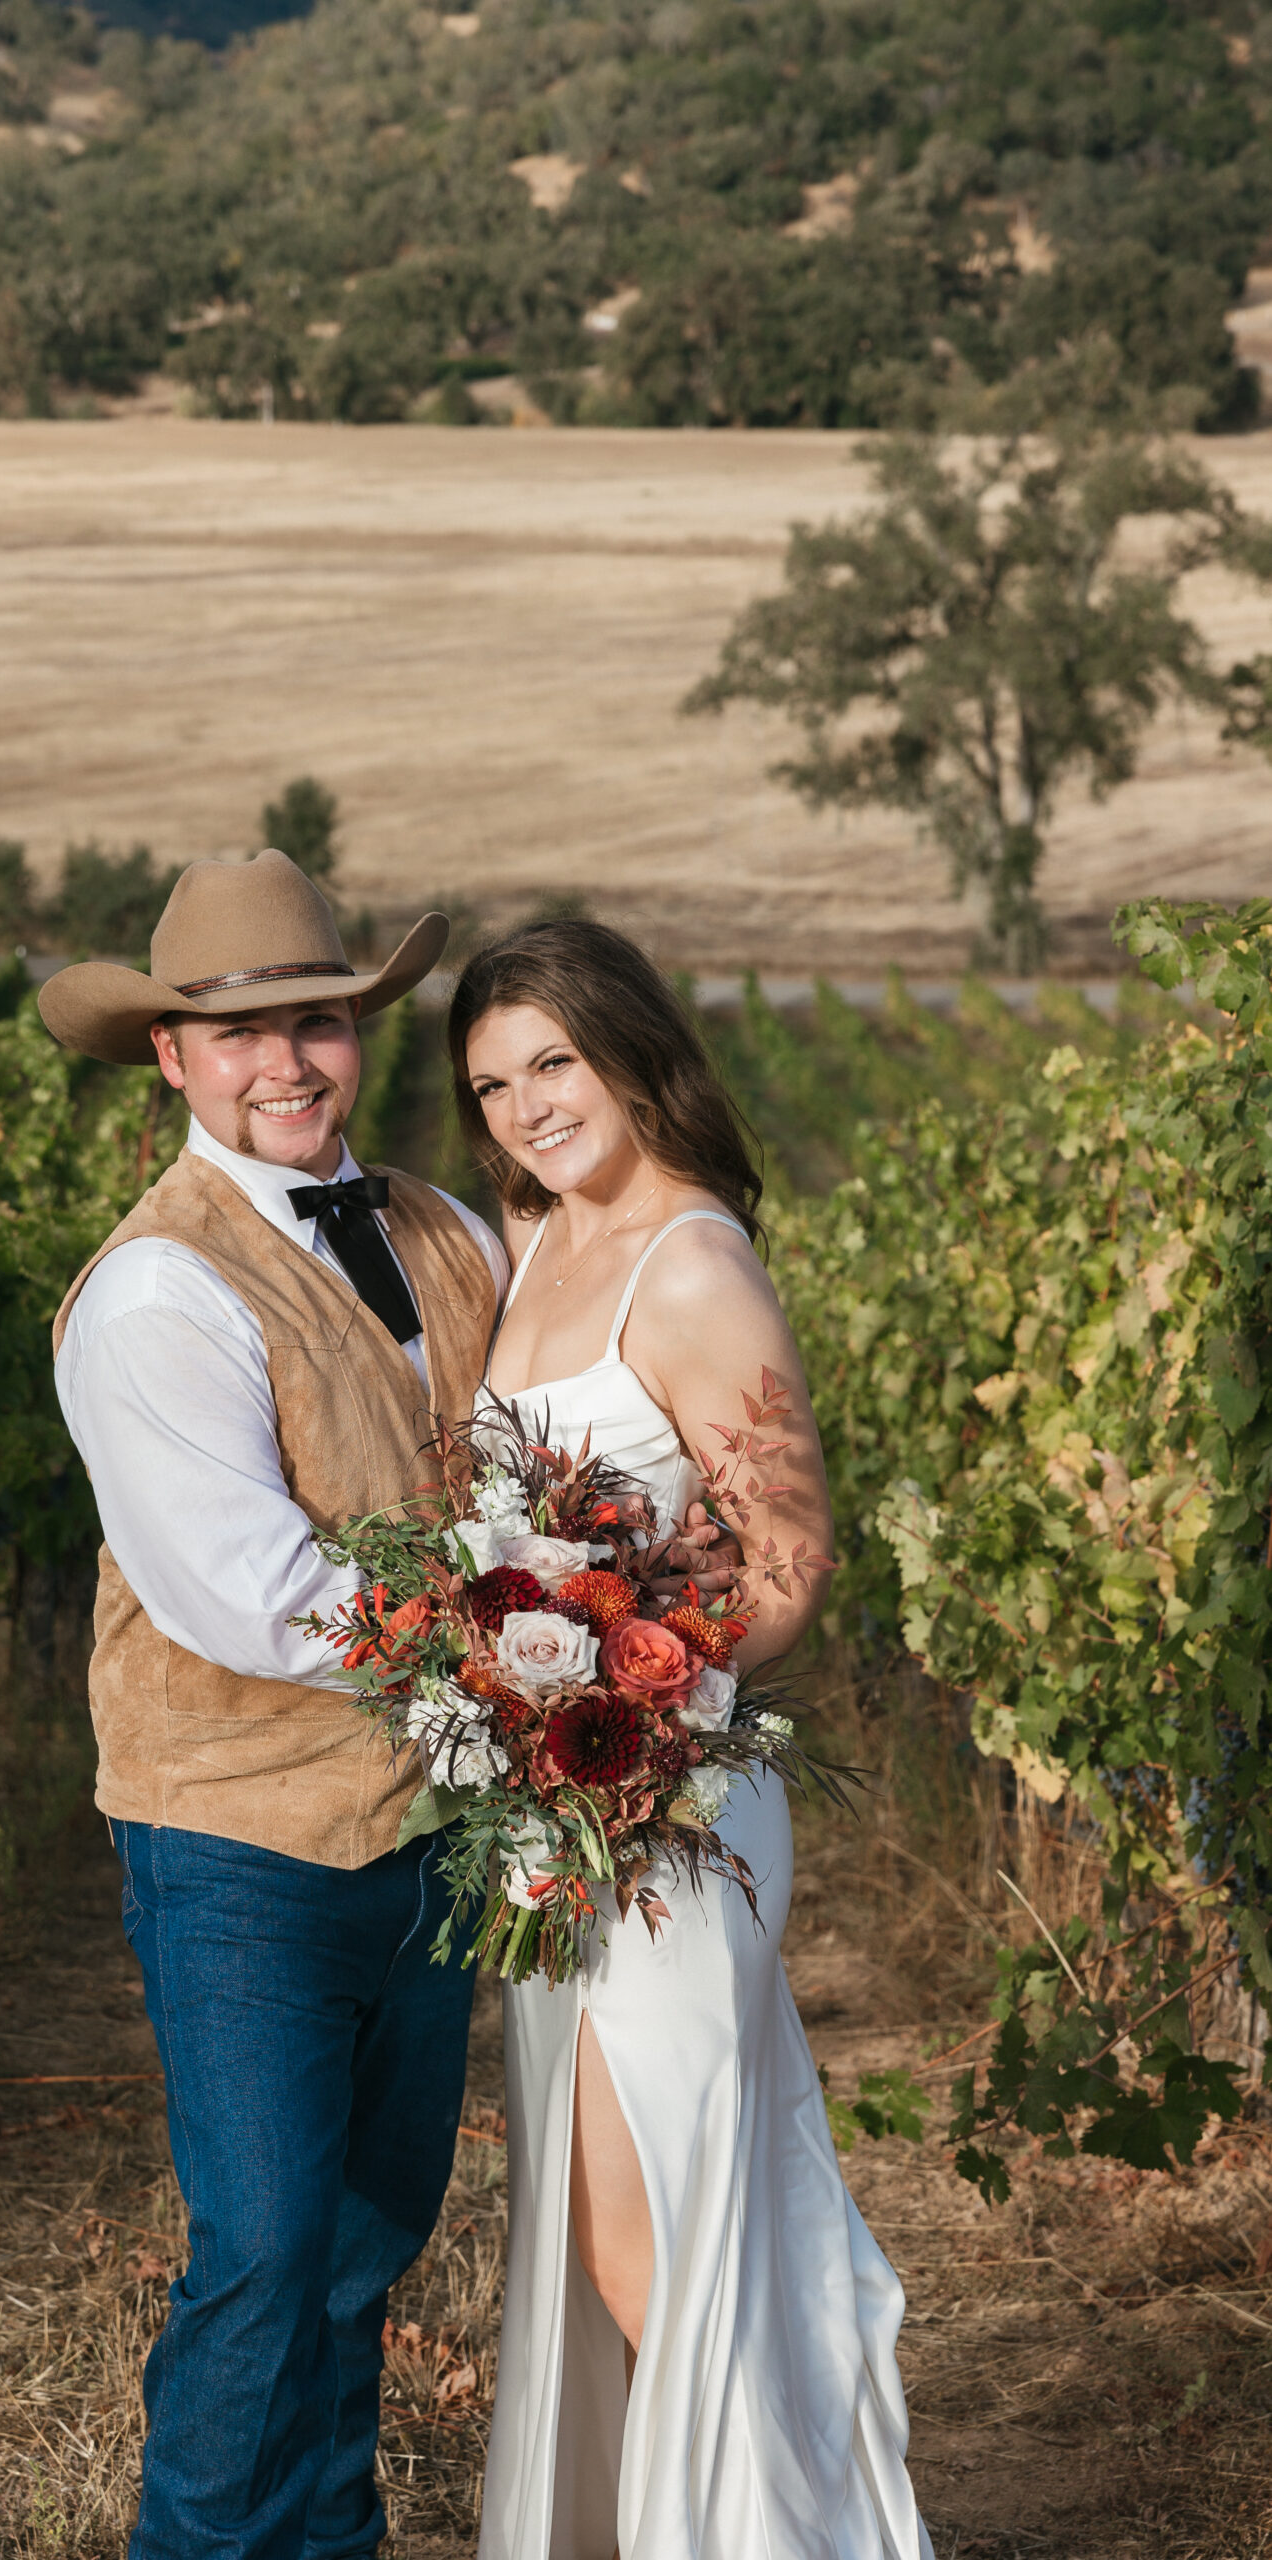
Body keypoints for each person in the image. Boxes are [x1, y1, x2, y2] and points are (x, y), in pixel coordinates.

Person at [39, 849, 508, 2560]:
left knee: (369, 2246)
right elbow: (249, 1589)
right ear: (171, 1059)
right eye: (239, 1039)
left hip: (441, 1827)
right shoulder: (158, 1288)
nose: (285, 1064)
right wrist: (519, 1638)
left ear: (356, 1033)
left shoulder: (444, 1235)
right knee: (261, 2253)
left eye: (314, 1022)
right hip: (241, 1840)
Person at [450, 917, 934, 2560]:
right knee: (604, 2230)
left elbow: (789, 1566)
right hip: (549, 1818)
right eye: (493, 1083)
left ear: (628, 1048)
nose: (525, 1107)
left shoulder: (695, 1262)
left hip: (669, 1806)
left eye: (553, 1064)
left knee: (657, 2229)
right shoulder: (535, 1236)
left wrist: (629, 1689)